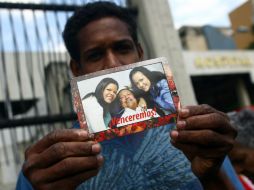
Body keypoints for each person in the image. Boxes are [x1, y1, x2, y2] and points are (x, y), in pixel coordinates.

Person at [16, 2, 239, 190]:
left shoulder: (193, 133)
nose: (113, 64)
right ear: (77, 69)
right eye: (95, 55)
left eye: (123, 48)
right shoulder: (51, 163)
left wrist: (211, 174)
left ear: (140, 54)